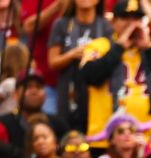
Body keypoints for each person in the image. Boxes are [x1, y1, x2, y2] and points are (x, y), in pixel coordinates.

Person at [78, 0, 151, 143]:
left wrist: (148, 49)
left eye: (136, 18)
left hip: (147, 137)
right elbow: (90, 77)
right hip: (107, 137)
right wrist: (119, 47)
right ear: (113, 22)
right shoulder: (98, 46)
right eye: (125, 18)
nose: (131, 23)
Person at [48, 0, 112, 131]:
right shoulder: (61, 24)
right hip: (69, 93)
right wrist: (72, 54)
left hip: (97, 93)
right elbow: (52, 62)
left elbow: (113, 60)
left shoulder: (105, 25)